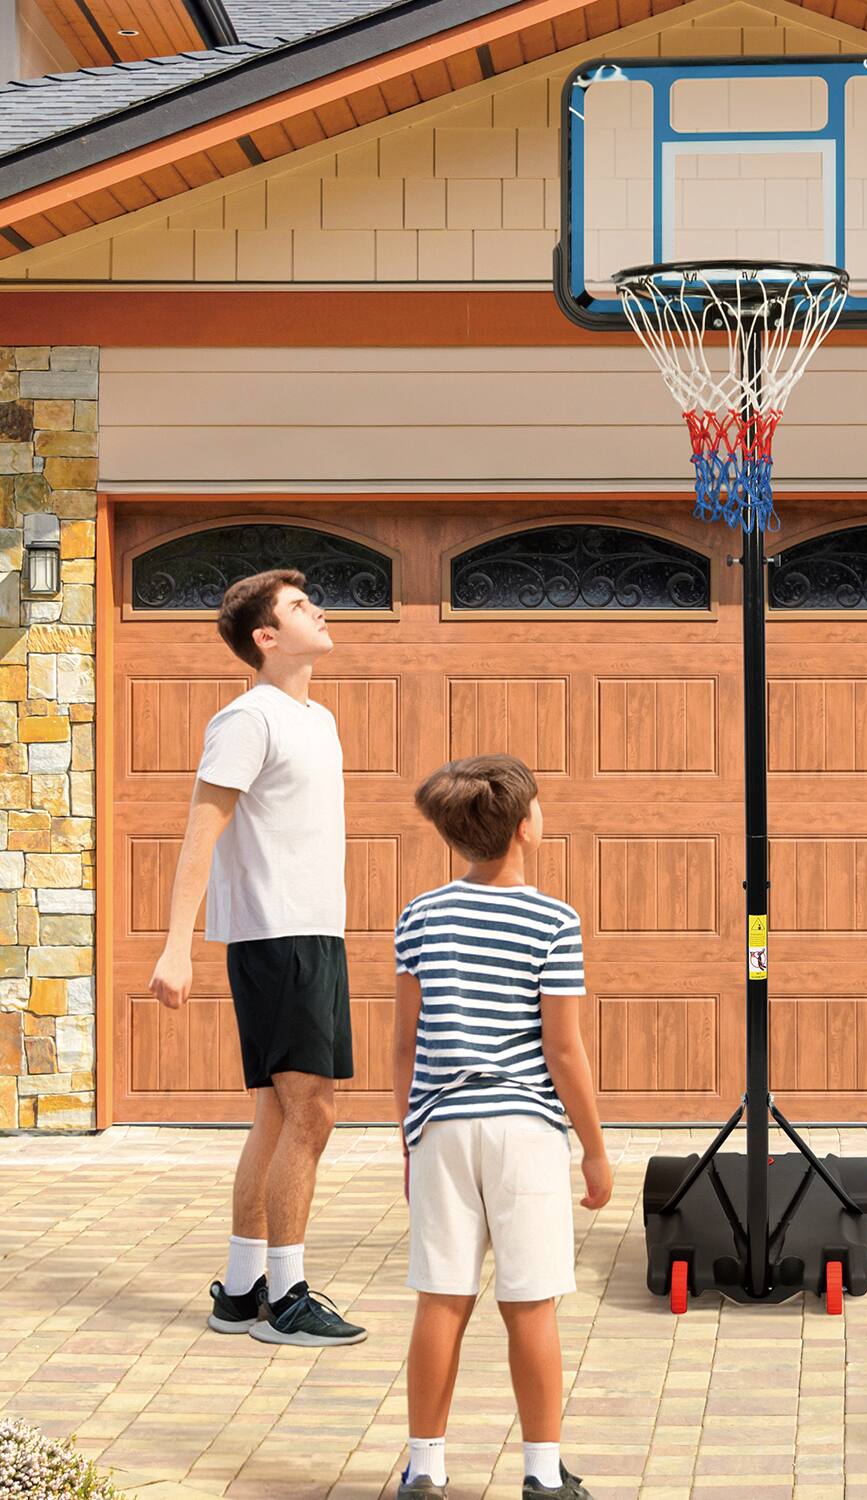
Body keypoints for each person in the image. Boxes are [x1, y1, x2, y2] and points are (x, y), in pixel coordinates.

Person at [149, 568, 366, 1347]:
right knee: (314, 1111)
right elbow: (200, 832)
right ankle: (289, 1294)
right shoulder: (247, 719)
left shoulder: (321, 719)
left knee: (277, 1114)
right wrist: (177, 945)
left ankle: (241, 1290)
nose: (320, 609)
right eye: (302, 606)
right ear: (266, 638)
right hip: (275, 937)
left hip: (315, 933)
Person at [392, 754, 612, 1500]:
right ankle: (543, 1474)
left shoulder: (420, 915)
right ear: (525, 827)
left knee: (441, 1297)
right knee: (530, 1302)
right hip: (523, 1128)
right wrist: (595, 1150)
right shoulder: (554, 920)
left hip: (443, 1126)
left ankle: (425, 1467)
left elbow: (406, 1043)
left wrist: (409, 1137)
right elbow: (563, 1049)